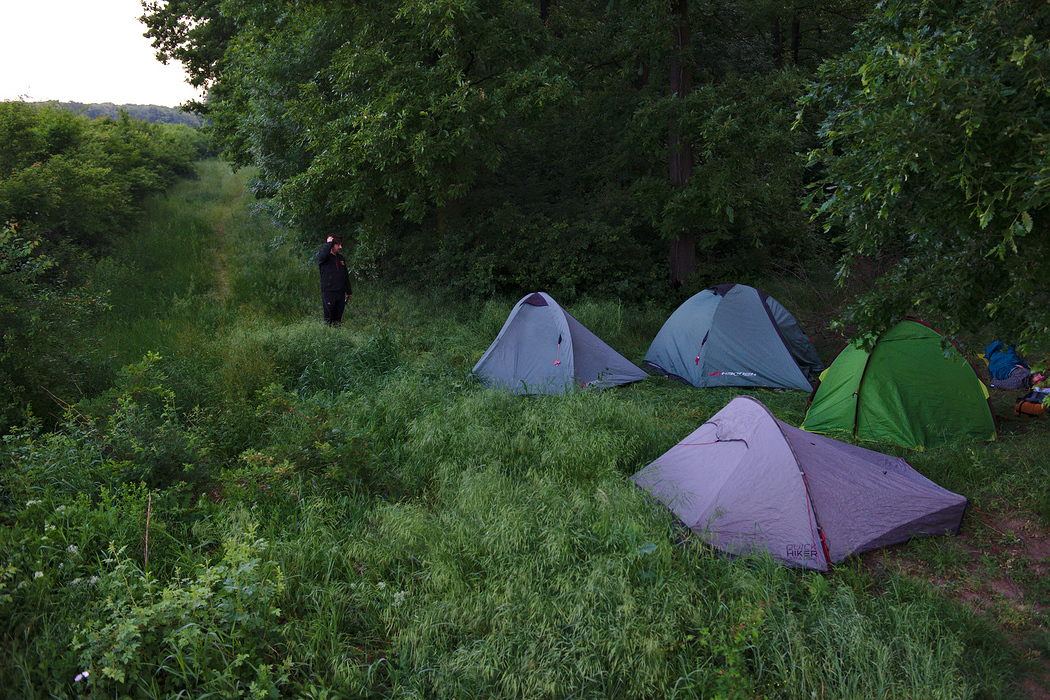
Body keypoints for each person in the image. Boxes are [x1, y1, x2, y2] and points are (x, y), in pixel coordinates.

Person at [317, 235, 352, 325]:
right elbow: (322, 256)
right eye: (338, 245)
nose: (340, 247)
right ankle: (327, 337)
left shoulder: (341, 259)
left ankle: (338, 338)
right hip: (329, 292)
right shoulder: (324, 258)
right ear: (332, 245)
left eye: (340, 245)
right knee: (328, 320)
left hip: (340, 293)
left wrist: (349, 292)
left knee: (338, 321)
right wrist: (329, 243)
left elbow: (345, 276)